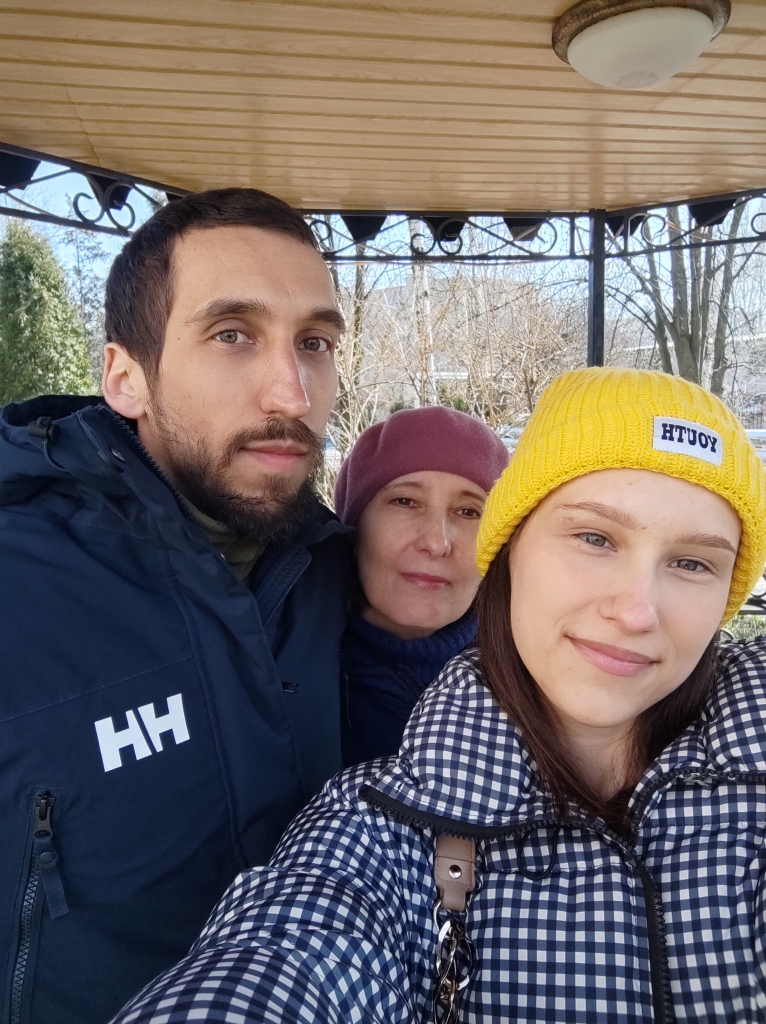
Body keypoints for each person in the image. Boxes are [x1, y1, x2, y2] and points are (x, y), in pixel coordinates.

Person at [113, 367, 766, 1024]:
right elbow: (294, 948)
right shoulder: (369, 805)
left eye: (693, 562)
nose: (636, 610)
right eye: (594, 538)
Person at [0, 188, 352, 1024]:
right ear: (125, 378)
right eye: (233, 335)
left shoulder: (344, 571)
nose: (291, 394)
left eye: (314, 343)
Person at [334, 405, 508, 763]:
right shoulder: (285, 672)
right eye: (405, 502)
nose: (436, 542)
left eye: (469, 512)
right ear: (355, 529)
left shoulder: (530, 679)